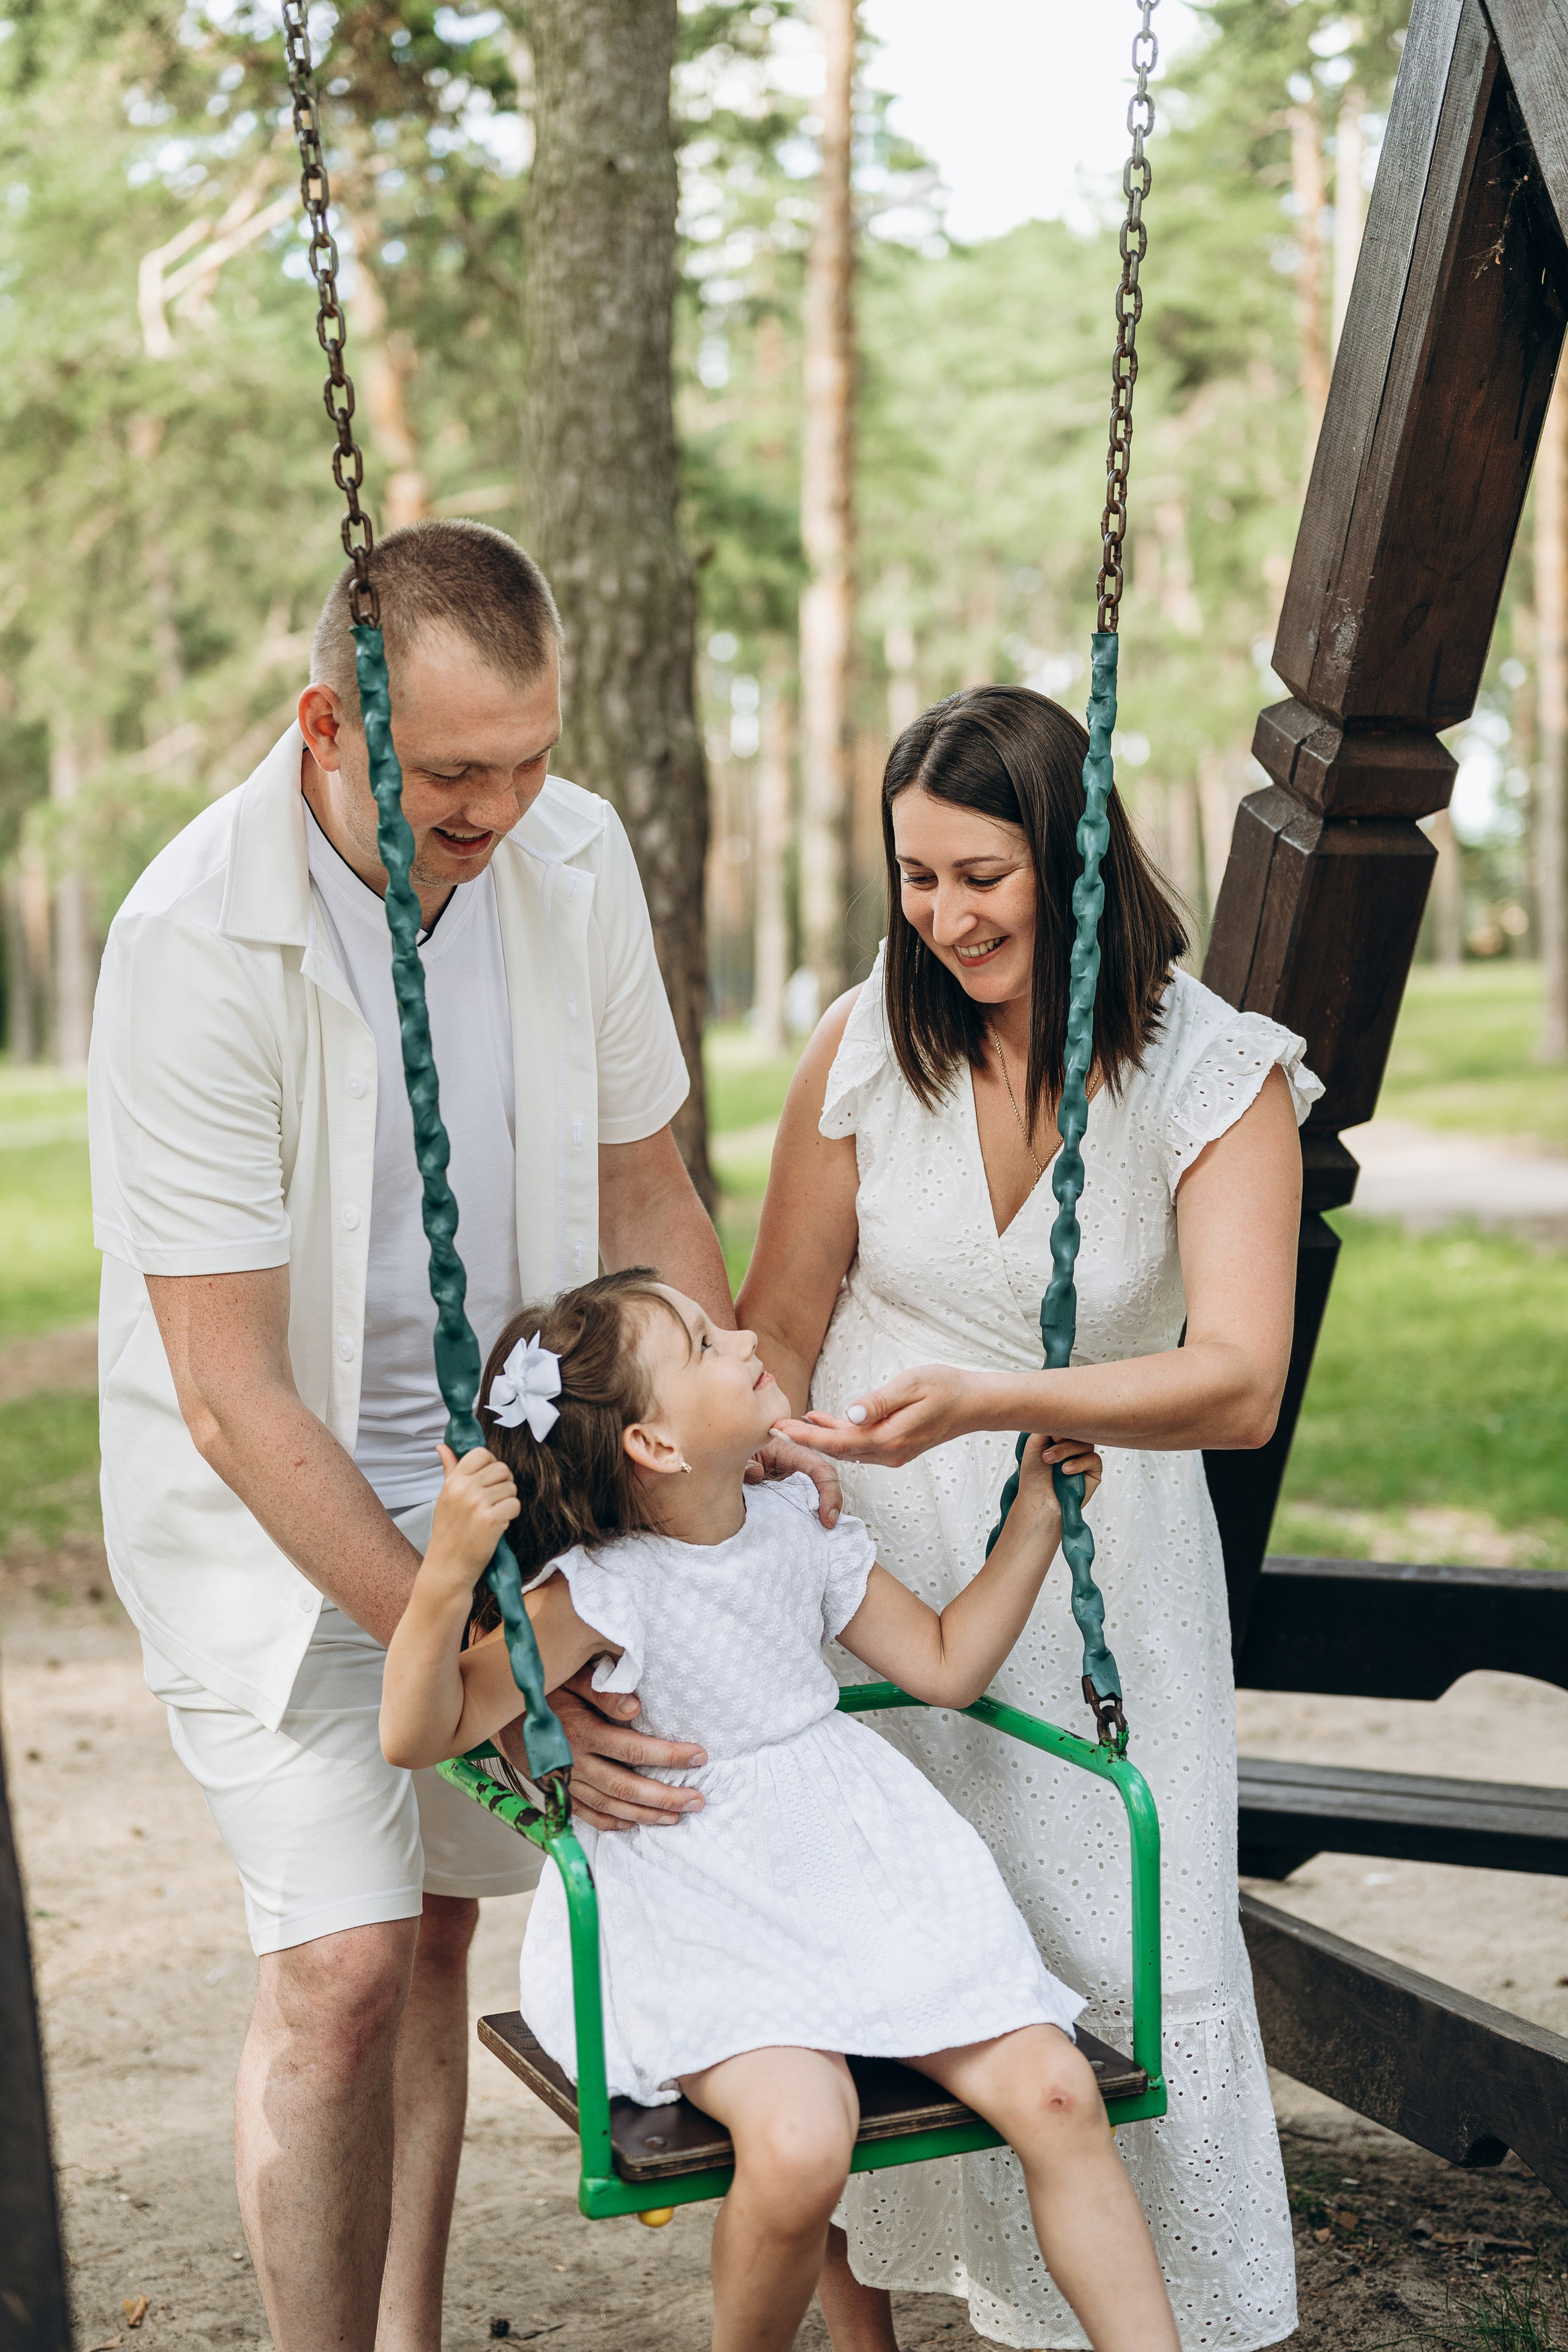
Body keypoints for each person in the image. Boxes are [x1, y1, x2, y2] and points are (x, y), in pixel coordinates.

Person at [86, 519, 832, 2352]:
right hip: (277, 1514)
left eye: (531, 760)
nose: (501, 812)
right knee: (335, 1967)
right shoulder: (193, 939)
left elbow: (646, 1180)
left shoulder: (566, 858)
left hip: (521, 1496)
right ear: (329, 729)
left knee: (429, 1933)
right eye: (453, 776)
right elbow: (232, 1390)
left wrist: (722, 1439)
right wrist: (485, 1654)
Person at [739, 684, 1319, 2351]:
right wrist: (768, 1468)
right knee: (879, 1949)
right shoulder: (866, 1044)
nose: (945, 917)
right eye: (916, 879)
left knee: (1113, 1944)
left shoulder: (1215, 1076)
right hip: (876, 1535)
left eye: (981, 876)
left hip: (1098, 1558)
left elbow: (1236, 1382)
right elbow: (782, 1311)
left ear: (1074, 860)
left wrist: (1002, 1405)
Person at [379, 1267, 1182, 2352]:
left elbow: (944, 1664)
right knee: (804, 2144)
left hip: (864, 1870)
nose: (747, 1334)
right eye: (706, 1346)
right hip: (705, 1899)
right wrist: (442, 1585)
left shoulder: (796, 1523)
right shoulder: (597, 1590)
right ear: (656, 1448)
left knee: (1056, 2097)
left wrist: (1038, 1515)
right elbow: (421, 1733)